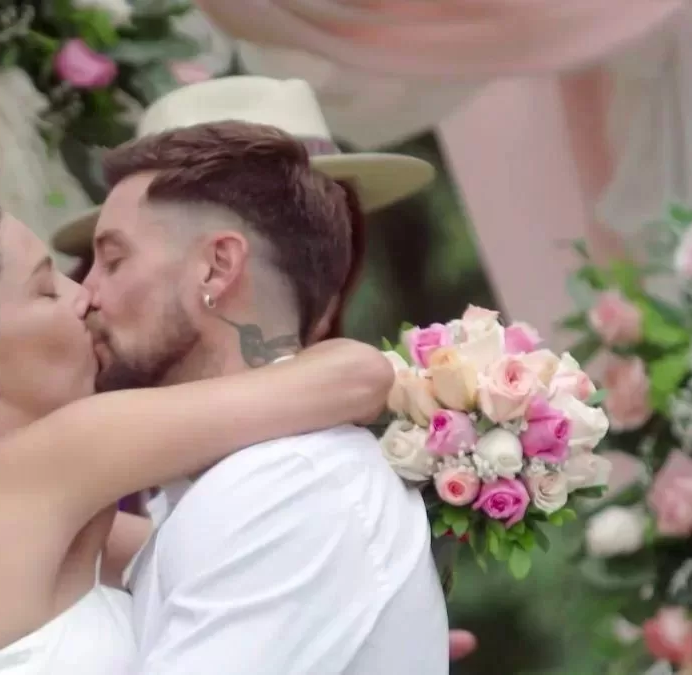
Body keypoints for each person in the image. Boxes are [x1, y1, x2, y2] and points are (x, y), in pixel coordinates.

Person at [0, 198, 395, 675]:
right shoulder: (35, 465)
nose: (82, 295)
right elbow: (356, 376)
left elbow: (208, 553)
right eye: (45, 288)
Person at [77, 114, 449, 672]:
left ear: (216, 267)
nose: (85, 294)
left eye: (113, 260)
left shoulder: (288, 485)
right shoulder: (243, 480)